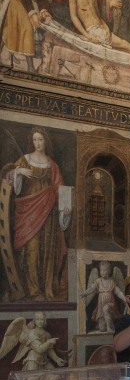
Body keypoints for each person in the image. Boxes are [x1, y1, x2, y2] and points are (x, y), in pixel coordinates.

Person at [4, 127, 71, 301]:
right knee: (31, 250)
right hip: (28, 213)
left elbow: (60, 188)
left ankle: (47, 289)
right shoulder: (24, 160)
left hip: (48, 213)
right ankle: (33, 291)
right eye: (35, 139)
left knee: (47, 251)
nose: (38, 143)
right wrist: (18, 171)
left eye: (40, 139)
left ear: (45, 141)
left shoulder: (52, 164)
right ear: (31, 141)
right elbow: (7, 177)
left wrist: (64, 208)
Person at [0, 312, 66, 372]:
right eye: (37, 319)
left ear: (45, 321)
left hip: (44, 360)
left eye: (42, 319)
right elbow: (39, 349)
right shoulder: (32, 333)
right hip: (33, 360)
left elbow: (49, 350)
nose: (40, 321)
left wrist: (57, 359)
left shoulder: (47, 334)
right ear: (34, 321)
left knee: (53, 375)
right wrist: (49, 342)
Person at [80, 260, 127, 333]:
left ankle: (109, 328)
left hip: (110, 304)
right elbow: (92, 288)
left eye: (104, 270)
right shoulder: (98, 281)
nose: (102, 272)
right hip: (100, 307)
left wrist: (125, 299)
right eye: (101, 270)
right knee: (102, 328)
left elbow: (118, 292)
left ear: (108, 271)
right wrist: (85, 293)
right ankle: (110, 325)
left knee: (106, 308)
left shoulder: (112, 281)